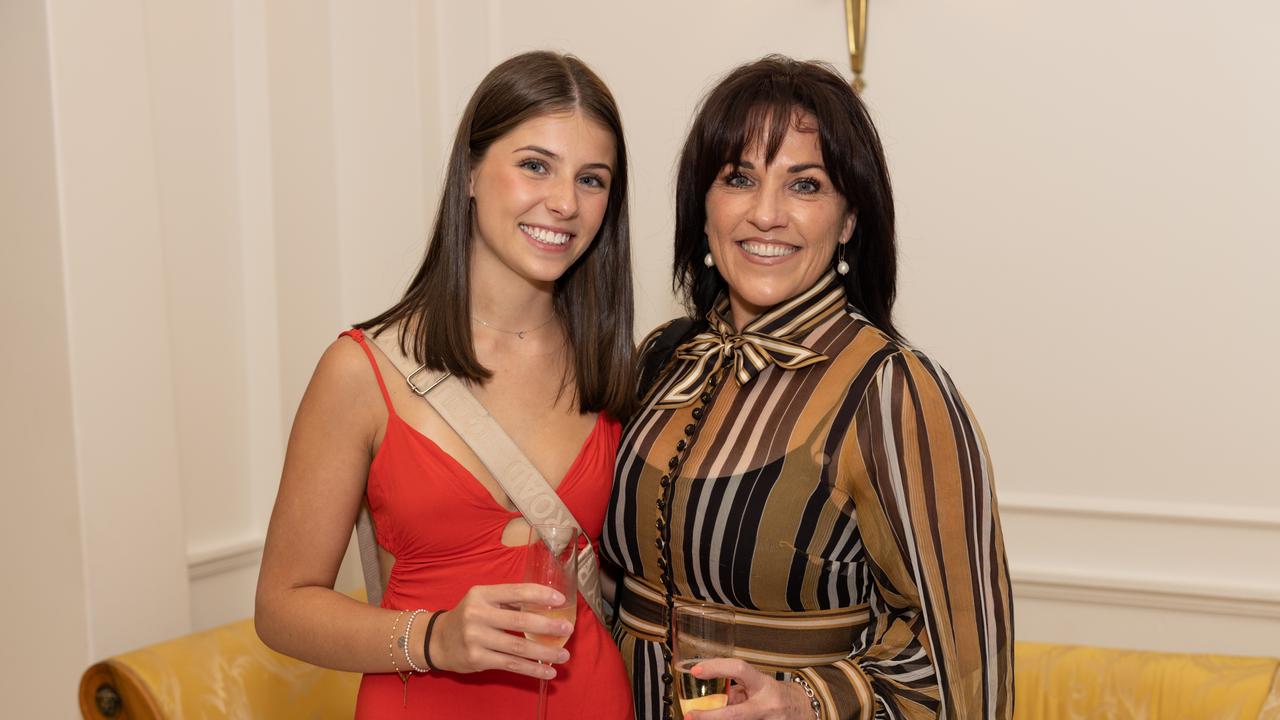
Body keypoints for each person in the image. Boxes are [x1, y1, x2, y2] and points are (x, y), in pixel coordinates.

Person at [603, 55, 1013, 720]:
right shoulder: (661, 361)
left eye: (806, 185)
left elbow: (964, 663)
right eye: (739, 178)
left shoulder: (893, 389)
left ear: (849, 220)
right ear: (702, 207)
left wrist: (809, 702)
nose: (766, 214)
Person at [256, 51, 636, 719]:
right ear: (469, 172)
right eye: (535, 165)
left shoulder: (614, 367)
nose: (565, 202)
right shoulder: (361, 372)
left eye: (592, 179)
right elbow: (281, 608)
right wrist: (434, 638)